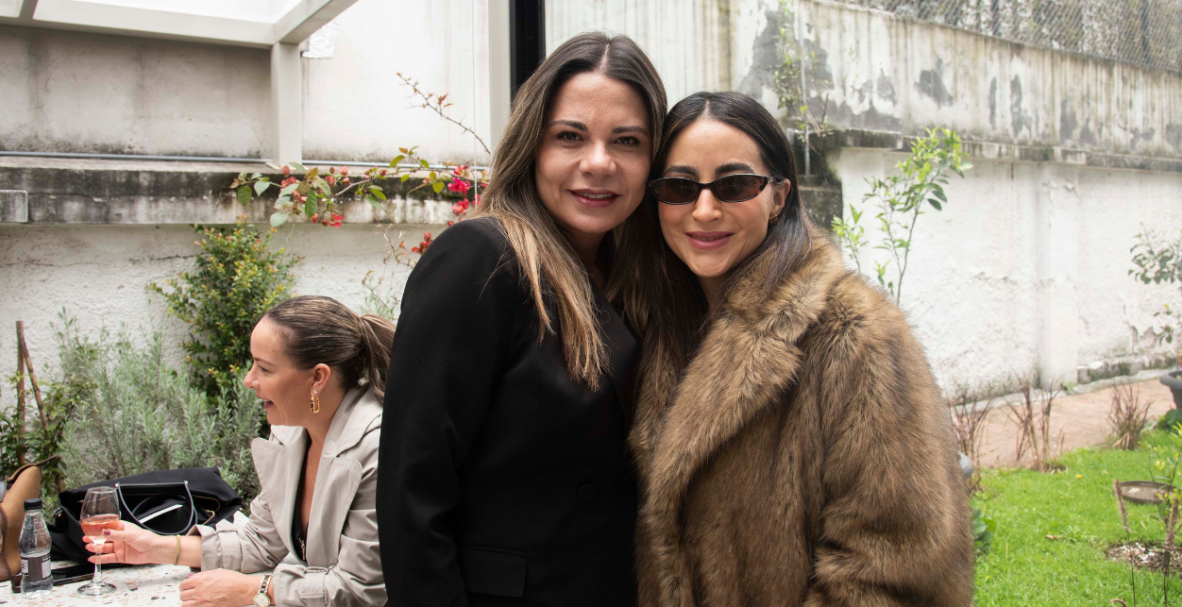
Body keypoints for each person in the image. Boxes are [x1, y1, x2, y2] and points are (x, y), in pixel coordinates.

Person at [622, 92, 974, 606]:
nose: (703, 209)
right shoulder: (652, 326)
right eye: (678, 187)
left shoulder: (855, 337)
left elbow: (897, 570)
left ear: (779, 196)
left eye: (735, 185)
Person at [377, 32, 666, 606]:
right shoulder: (479, 261)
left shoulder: (644, 280)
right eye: (570, 137)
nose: (599, 163)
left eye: (627, 141)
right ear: (532, 144)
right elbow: (412, 494)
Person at [85, 296, 392, 607]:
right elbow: (262, 542)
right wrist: (157, 547)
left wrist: (258, 590)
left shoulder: (376, 448)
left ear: (317, 378)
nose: (249, 380)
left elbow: (361, 589)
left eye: (265, 368)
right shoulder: (293, 433)